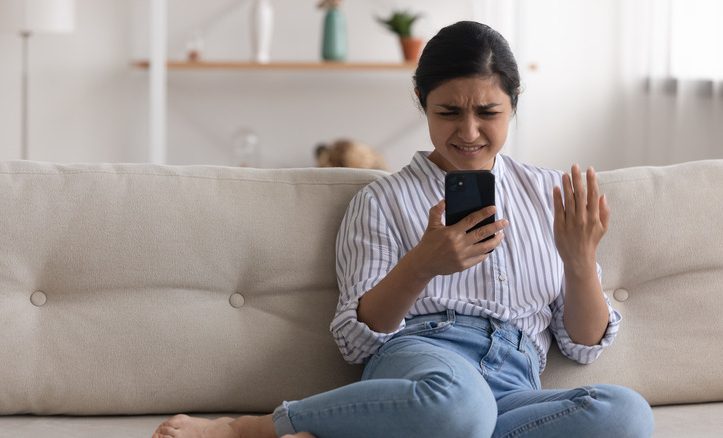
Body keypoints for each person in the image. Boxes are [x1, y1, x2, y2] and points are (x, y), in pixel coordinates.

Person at [152, 20, 654, 438]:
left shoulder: (550, 196)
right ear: (421, 101)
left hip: (515, 380)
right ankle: (253, 429)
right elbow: (355, 341)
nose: (469, 131)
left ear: (515, 102)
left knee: (627, 415)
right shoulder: (381, 201)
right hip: (424, 362)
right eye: (448, 112)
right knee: (458, 404)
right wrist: (423, 265)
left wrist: (579, 259)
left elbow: (583, 345)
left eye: (488, 112)